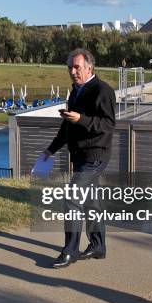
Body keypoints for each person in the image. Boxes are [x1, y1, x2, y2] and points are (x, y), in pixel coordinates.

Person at [42, 48, 116, 268]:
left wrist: (81, 119)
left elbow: (108, 125)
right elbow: (67, 125)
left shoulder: (103, 90)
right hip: (81, 155)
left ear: (89, 68)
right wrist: (50, 150)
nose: (72, 71)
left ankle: (70, 252)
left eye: (77, 67)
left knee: (72, 198)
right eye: (70, 67)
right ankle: (98, 246)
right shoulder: (75, 91)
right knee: (91, 202)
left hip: (96, 155)